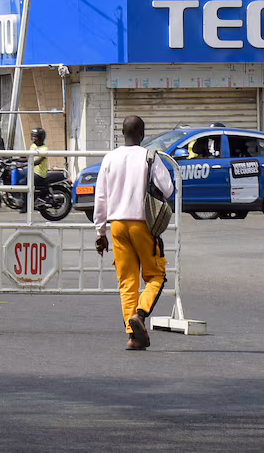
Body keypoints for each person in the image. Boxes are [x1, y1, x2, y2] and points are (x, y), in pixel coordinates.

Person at [92, 115, 175, 350]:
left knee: (127, 281)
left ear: (122, 133)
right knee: (156, 276)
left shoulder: (110, 158)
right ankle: (140, 314)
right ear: (142, 135)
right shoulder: (150, 157)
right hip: (143, 225)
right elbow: (167, 189)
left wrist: (100, 233)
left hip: (117, 225)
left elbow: (100, 197)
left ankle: (133, 336)